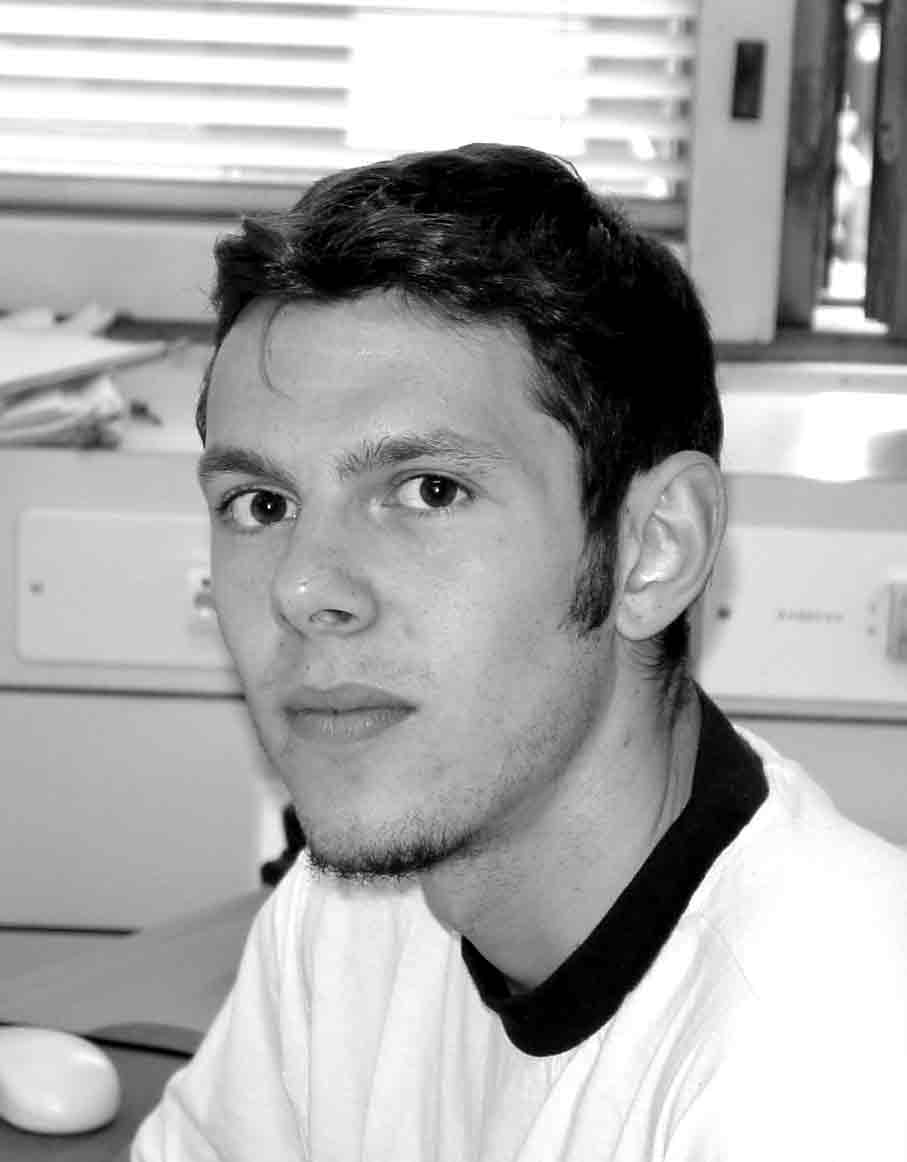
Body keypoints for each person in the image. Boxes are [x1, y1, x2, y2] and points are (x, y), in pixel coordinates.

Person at [133, 144, 907, 1161]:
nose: (304, 588)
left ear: (652, 549)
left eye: (428, 491)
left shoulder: (825, 1077)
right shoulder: (350, 909)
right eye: (260, 504)